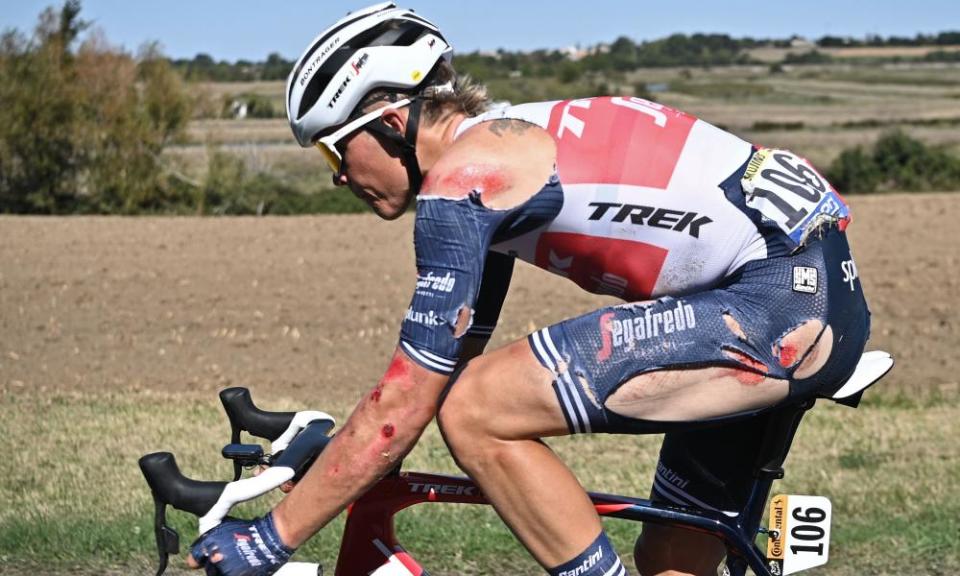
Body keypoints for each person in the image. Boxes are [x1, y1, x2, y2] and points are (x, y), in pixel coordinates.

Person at [188, 3, 871, 575]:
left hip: (776, 302)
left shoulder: (464, 182)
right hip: (810, 295)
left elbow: (415, 401)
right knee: (670, 557)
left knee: (479, 411)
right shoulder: (505, 151)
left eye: (334, 149)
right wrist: (337, 458)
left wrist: (267, 538)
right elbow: (430, 377)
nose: (338, 175)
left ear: (390, 125)